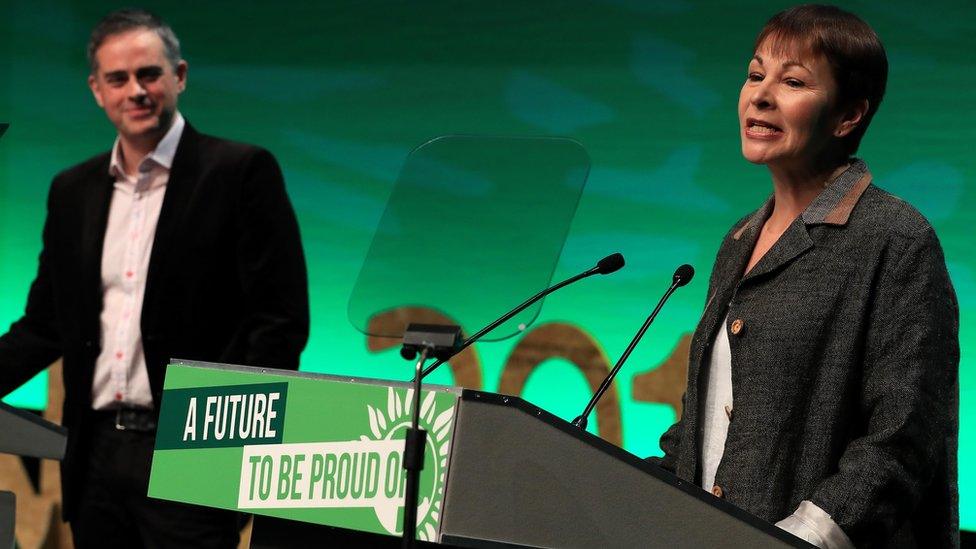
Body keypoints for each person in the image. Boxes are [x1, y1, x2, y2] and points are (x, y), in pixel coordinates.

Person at [0, 9, 309, 547]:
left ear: (180, 76)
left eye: (150, 74)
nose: (136, 91)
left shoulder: (241, 172)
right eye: (118, 79)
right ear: (97, 90)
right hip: (93, 453)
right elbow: (46, 324)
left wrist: (225, 445)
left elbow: (279, 324)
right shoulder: (72, 190)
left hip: (190, 451)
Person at [652, 5, 958, 548]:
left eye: (792, 81)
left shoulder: (894, 238)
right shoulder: (739, 241)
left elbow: (904, 438)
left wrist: (794, 539)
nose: (760, 95)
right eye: (754, 74)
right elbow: (706, 426)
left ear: (848, 116)